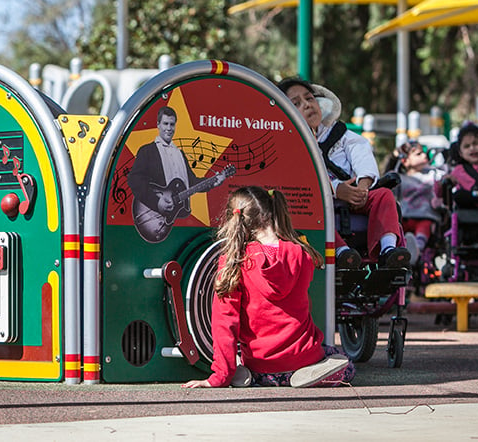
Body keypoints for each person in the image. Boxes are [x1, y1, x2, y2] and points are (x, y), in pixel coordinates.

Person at [182, 186, 355, 388]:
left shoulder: (234, 261)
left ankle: (242, 373)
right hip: (304, 358)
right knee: (342, 361)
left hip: (261, 367)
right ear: (272, 211)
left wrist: (219, 377)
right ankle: (307, 374)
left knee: (240, 356)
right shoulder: (301, 253)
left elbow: (224, 324)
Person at [277, 78, 410, 269]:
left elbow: (362, 155)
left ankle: (388, 251)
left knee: (384, 195)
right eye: (296, 103)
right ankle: (342, 253)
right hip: (319, 200)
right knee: (310, 205)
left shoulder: (339, 134)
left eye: (309, 99)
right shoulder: (287, 144)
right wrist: (336, 190)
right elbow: (297, 177)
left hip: (356, 195)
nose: (307, 105)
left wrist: (363, 188)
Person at [128, 106, 227, 242]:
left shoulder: (180, 153)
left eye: (172, 124)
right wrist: (157, 201)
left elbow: (191, 182)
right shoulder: (147, 151)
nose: (169, 128)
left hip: (178, 224)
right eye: (165, 124)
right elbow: (134, 180)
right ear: (158, 125)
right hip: (154, 217)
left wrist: (213, 182)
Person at [396, 142, 445, 256]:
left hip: (425, 216)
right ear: (405, 161)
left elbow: (445, 177)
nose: (424, 156)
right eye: (418, 154)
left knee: (424, 227)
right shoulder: (400, 178)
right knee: (396, 228)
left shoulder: (433, 174)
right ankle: (400, 251)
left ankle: (416, 250)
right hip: (405, 217)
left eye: (423, 153)